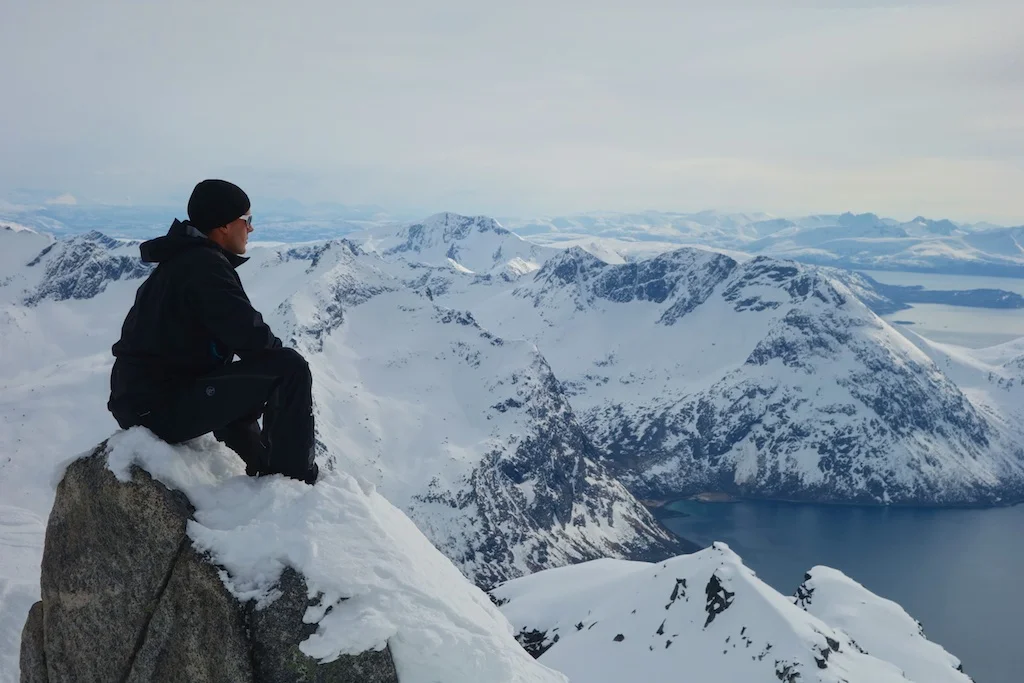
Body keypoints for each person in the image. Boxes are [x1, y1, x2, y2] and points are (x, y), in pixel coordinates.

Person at [107, 179, 318, 484]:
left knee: (246, 378)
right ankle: (295, 481)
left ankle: (262, 467)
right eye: (247, 219)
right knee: (289, 368)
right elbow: (252, 339)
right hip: (157, 408)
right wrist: (274, 361)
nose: (251, 228)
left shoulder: (186, 260)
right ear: (224, 225)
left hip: (145, 402)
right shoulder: (203, 266)